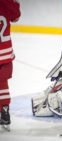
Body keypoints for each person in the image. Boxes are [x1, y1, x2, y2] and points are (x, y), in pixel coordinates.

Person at [0, 0, 21, 129]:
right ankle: (4, 111)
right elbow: (16, 17)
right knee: (2, 84)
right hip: (6, 54)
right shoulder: (6, 2)